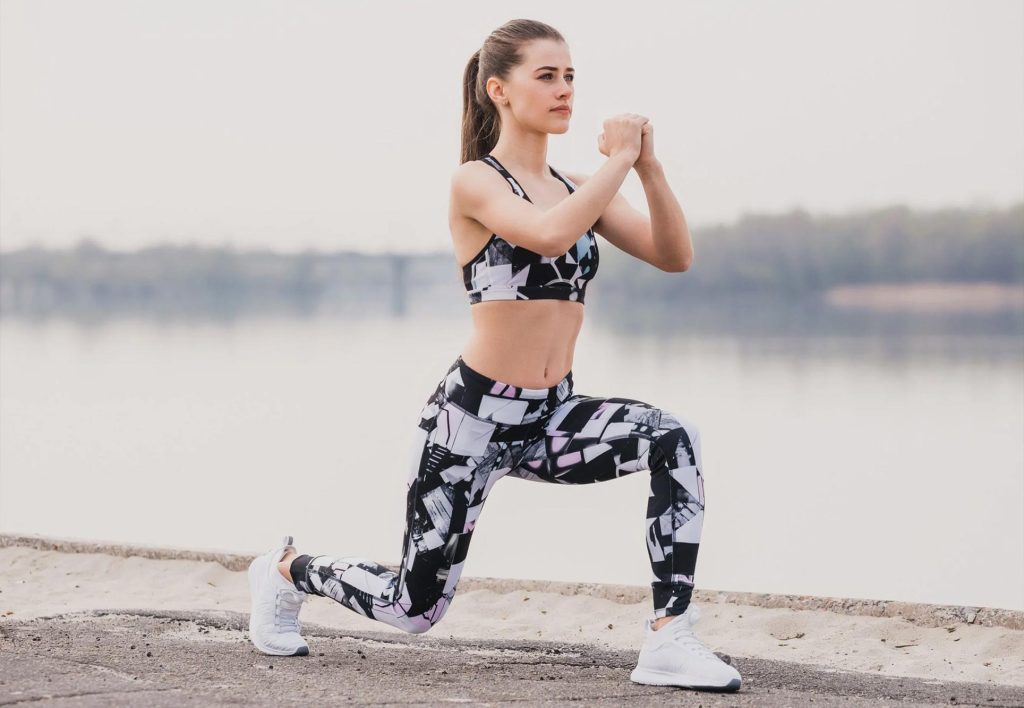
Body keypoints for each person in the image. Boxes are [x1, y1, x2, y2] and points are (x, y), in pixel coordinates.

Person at [247, 17, 742, 692]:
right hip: (471, 424)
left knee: (673, 438)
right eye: (547, 76)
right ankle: (287, 570)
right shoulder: (475, 184)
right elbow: (543, 238)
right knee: (413, 608)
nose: (565, 89)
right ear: (498, 91)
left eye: (571, 76)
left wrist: (648, 166)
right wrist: (619, 161)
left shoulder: (576, 188)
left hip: (552, 418)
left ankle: (668, 638)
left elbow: (674, 254)